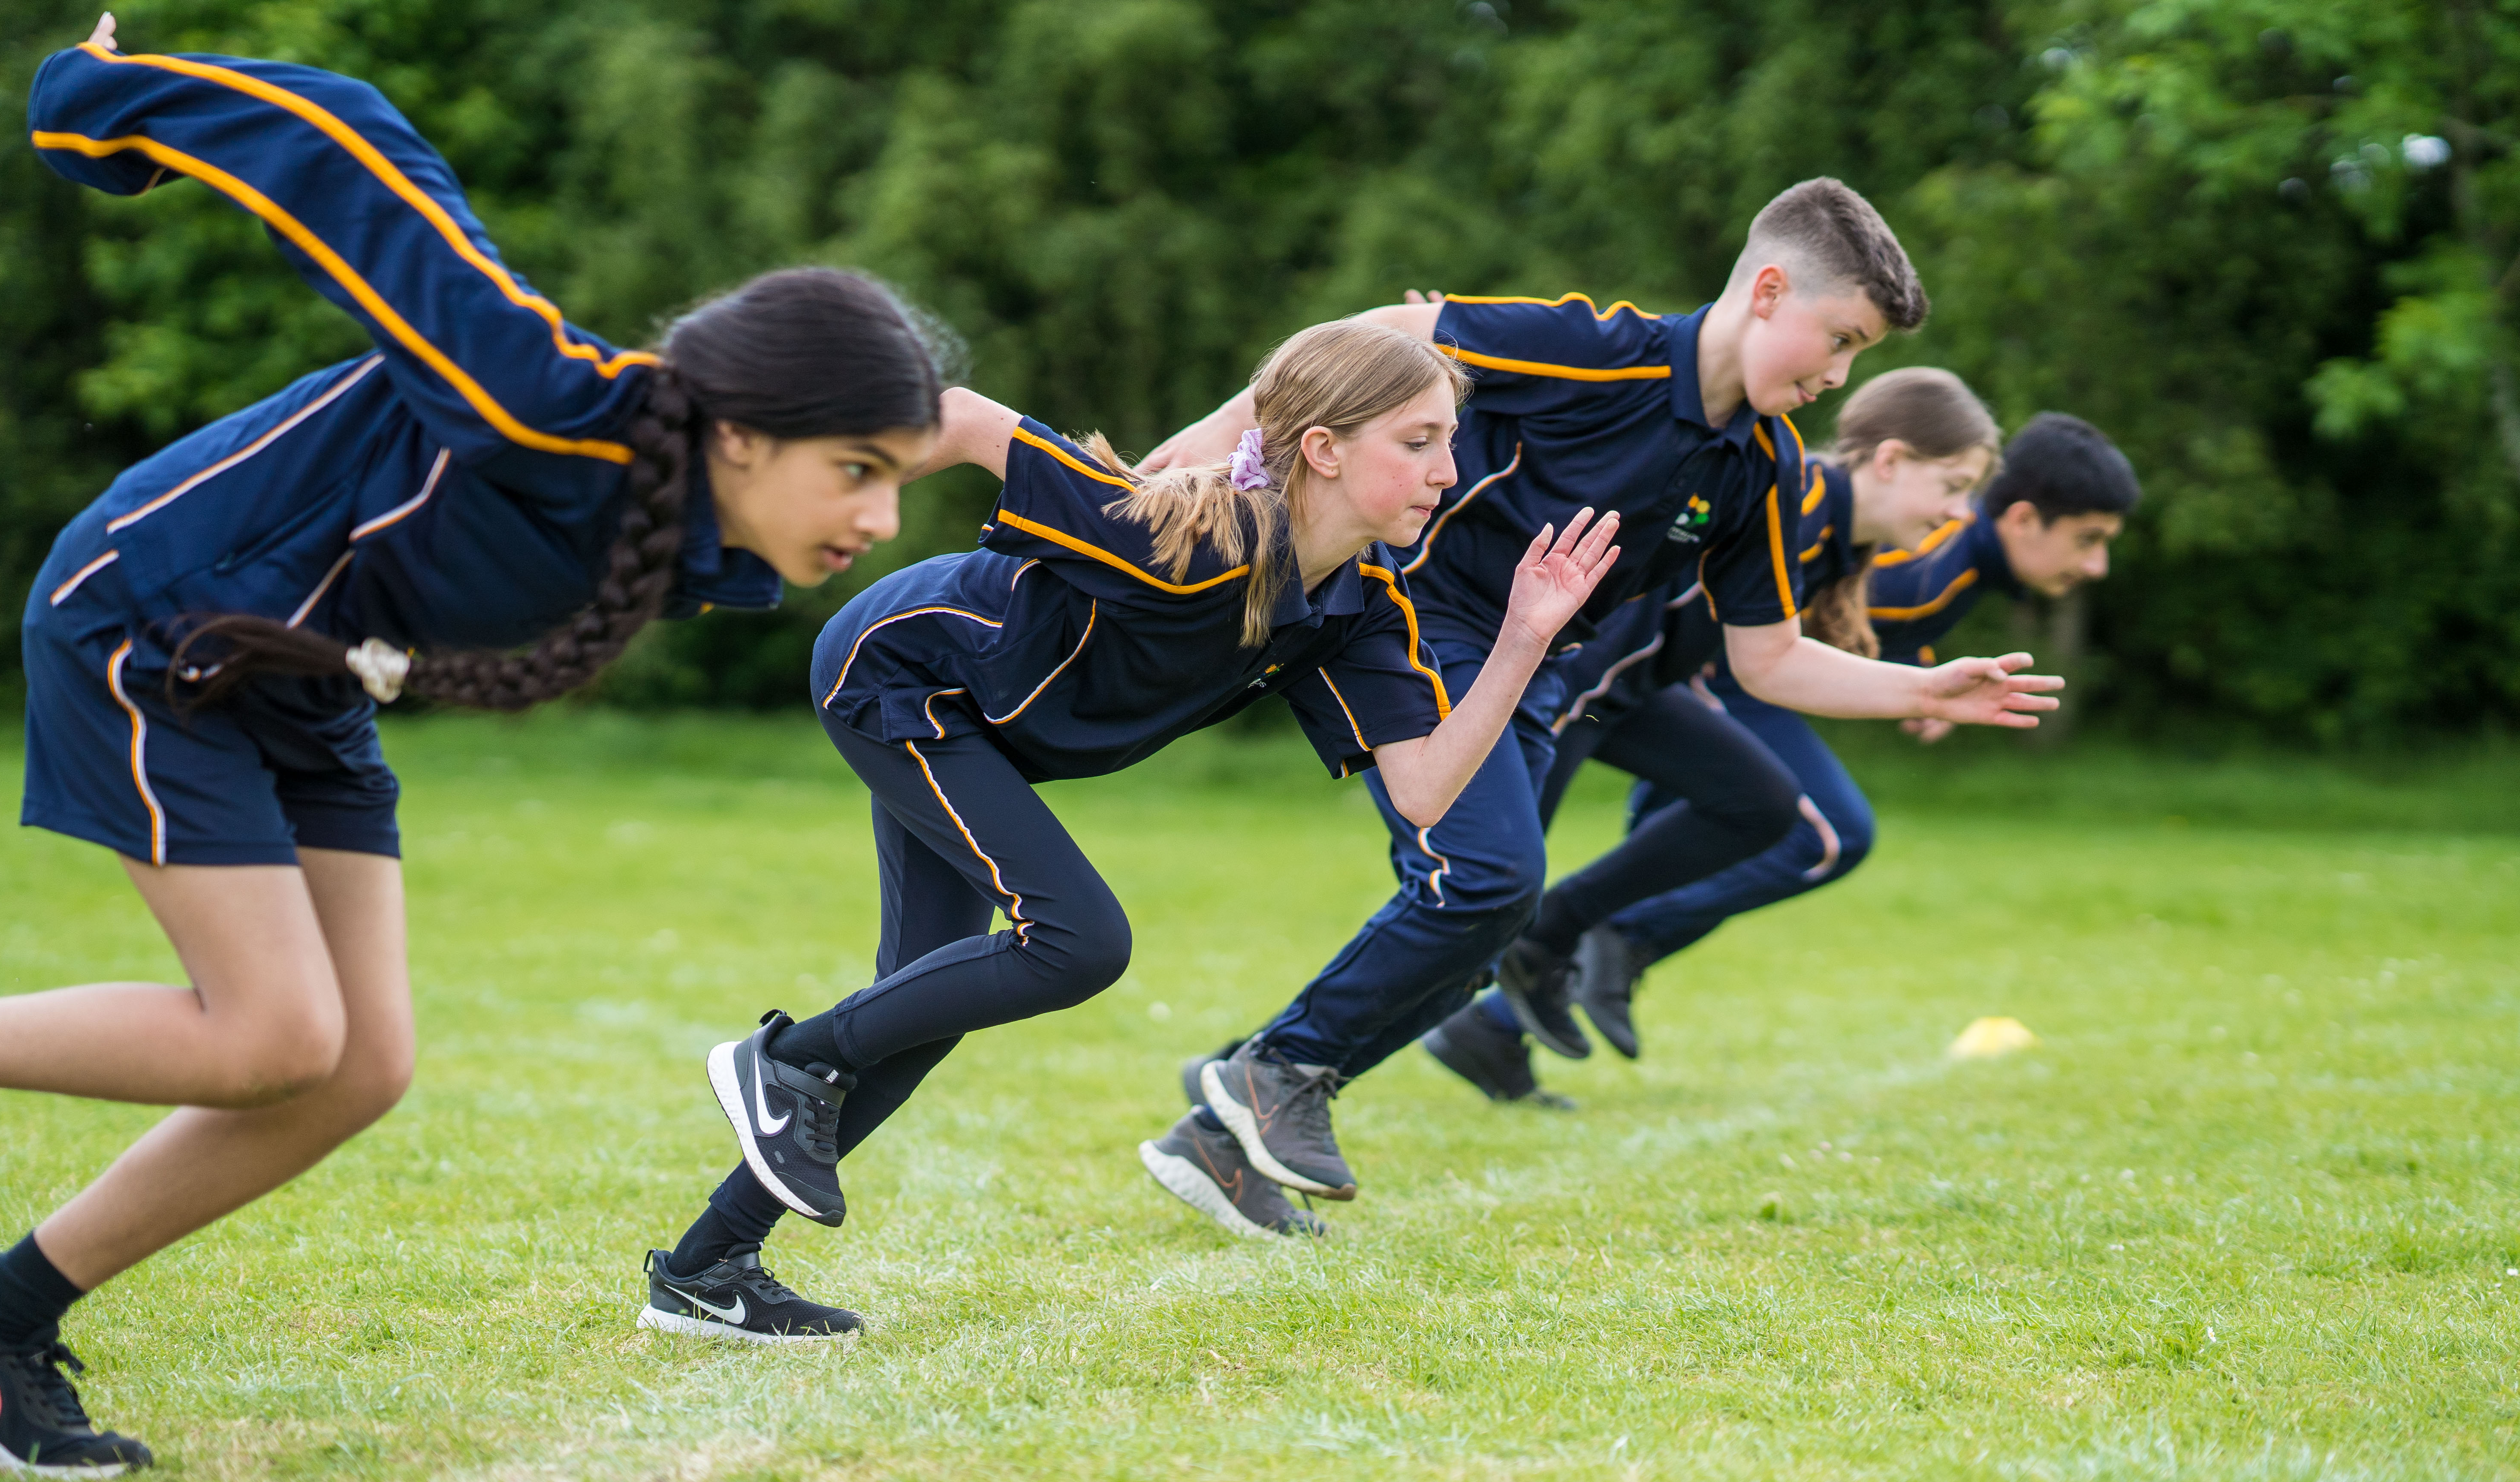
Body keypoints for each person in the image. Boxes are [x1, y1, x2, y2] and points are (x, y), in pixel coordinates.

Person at [0, 17, 945, 1479]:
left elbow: (973, 424)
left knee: (356, 1069)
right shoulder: (540, 403)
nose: (877, 522)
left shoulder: (689, 512)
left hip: (296, 686)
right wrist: (100, 102)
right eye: (857, 474)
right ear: (741, 432)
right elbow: (349, 148)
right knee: (273, 1035)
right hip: (153, 630)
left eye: (896, 479)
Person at [639, 319, 1621, 1331]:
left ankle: (706, 1270)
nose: (1447, 471)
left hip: (984, 734)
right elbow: (975, 421)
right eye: (1418, 442)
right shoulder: (1187, 536)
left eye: (1450, 442)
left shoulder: (1359, 608)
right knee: (1079, 941)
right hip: (903, 678)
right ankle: (789, 1057)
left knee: (922, 1012)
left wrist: (1522, 637)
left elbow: (1423, 793)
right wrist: (767, 507)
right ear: (1324, 449)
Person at [1136, 181, 2062, 1231]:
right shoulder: (1600, 349)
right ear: (1767, 291)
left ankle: (1229, 1116)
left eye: (1859, 357)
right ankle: (1273, 1074)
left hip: (1535, 671)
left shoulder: (1761, 463)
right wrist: (1219, 436)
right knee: (1487, 878)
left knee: (1489, 920)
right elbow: (1380, 332)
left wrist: (1921, 688)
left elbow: (1766, 659)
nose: (1839, 376)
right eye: (1838, 338)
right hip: (1414, 618)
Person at [1447, 408, 2140, 1097]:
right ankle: (1592, 942)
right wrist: (1913, 689)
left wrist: (1919, 681)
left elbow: (1843, 616)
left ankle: (1503, 1019)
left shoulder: (1947, 567)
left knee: (1738, 831)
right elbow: (1757, 622)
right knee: (1821, 832)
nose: (2098, 564)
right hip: (1677, 677)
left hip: (1673, 685)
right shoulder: (1919, 553)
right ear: (2022, 518)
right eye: (2089, 539)